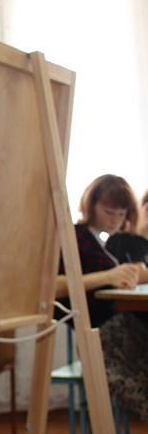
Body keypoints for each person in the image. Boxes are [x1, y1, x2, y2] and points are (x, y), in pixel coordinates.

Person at [55, 174, 148, 421]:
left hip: (115, 326)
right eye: (109, 212)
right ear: (91, 205)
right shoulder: (75, 237)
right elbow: (54, 287)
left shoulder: (101, 242)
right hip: (103, 333)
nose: (115, 219)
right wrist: (108, 276)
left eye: (121, 213)